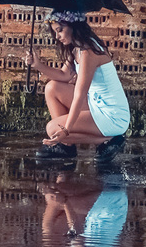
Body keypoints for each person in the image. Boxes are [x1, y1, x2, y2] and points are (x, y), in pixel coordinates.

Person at [25, 10, 129, 160]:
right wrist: (37, 65)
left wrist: (66, 130)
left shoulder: (89, 52)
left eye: (60, 30)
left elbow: (80, 94)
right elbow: (64, 75)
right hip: (96, 104)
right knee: (52, 88)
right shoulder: (76, 49)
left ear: (74, 26)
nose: (57, 36)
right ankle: (66, 146)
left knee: (52, 128)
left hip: (112, 115)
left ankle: (110, 139)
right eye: (55, 32)